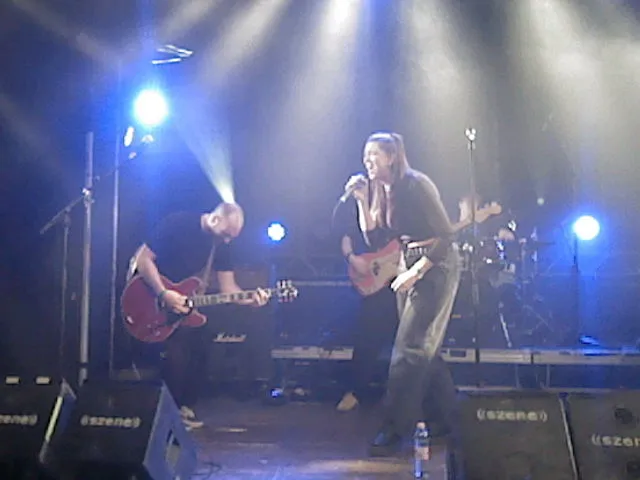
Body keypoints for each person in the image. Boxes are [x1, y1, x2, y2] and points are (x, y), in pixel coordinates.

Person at [343, 132, 461, 455]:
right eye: (365, 155)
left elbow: (446, 235)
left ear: (391, 157)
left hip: (435, 263)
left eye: (374, 155)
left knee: (409, 348)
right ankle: (449, 419)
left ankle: (395, 428)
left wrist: (416, 271)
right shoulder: (382, 190)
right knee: (424, 347)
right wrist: (361, 200)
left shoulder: (416, 184)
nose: (367, 161)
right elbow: (374, 237)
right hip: (407, 261)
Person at [132, 202, 270, 430]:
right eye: (226, 234)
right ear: (215, 219)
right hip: (151, 293)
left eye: (231, 237)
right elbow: (143, 259)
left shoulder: (221, 245)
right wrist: (163, 293)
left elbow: (228, 288)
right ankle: (166, 412)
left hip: (182, 304)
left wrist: (250, 300)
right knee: (177, 350)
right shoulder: (178, 223)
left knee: (201, 341)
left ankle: (182, 408)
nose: (227, 240)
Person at [336, 233, 399, 412]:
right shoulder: (352, 216)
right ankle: (356, 391)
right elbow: (345, 236)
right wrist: (352, 258)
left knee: (413, 343)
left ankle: (412, 398)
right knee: (366, 341)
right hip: (375, 289)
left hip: (403, 283)